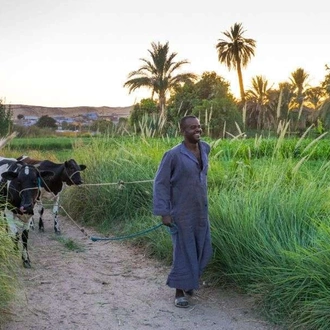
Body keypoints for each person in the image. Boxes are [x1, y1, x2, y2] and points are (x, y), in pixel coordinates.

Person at [153, 115, 213, 308]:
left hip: (201, 210)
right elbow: (160, 183)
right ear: (183, 131)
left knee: (203, 249)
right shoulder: (173, 155)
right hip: (181, 212)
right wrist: (164, 212)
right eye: (192, 128)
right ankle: (180, 291)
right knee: (183, 251)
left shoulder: (205, 149)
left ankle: (190, 283)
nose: (197, 130)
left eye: (199, 127)